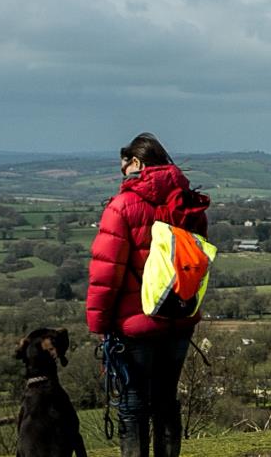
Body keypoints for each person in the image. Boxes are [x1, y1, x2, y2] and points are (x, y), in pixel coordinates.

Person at [86, 133, 208, 457]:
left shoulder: (122, 206)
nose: (122, 173)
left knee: (133, 405)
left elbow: (105, 272)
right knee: (167, 402)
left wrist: (98, 324)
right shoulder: (189, 204)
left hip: (134, 325)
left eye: (123, 166)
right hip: (180, 318)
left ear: (136, 163)